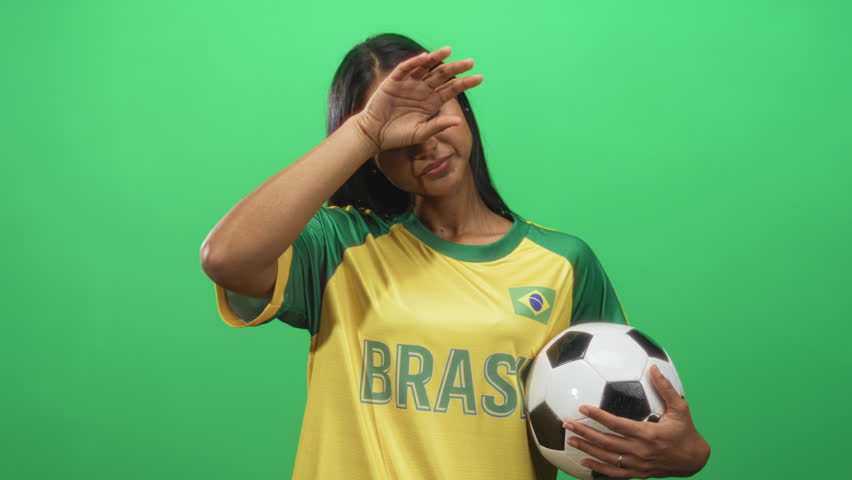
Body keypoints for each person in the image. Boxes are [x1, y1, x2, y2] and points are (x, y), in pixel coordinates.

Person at [200, 33, 710, 480]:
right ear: (370, 157)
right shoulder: (338, 245)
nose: (423, 142)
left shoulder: (563, 264)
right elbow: (225, 258)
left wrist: (688, 454)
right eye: (395, 130)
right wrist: (363, 131)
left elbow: (620, 432)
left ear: (463, 108)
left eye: (432, 114)